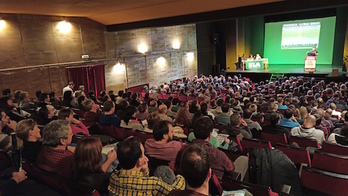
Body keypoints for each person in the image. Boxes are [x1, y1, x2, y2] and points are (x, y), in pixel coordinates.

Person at [176, 117, 248, 181]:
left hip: (189, 183)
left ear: (194, 133)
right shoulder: (217, 154)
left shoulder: (183, 150)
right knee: (244, 159)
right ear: (210, 135)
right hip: (215, 187)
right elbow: (231, 169)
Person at [108, 137, 185, 195]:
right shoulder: (154, 184)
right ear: (139, 161)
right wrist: (181, 177)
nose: (146, 158)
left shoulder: (113, 177)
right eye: (143, 155)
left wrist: (145, 171)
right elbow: (176, 193)